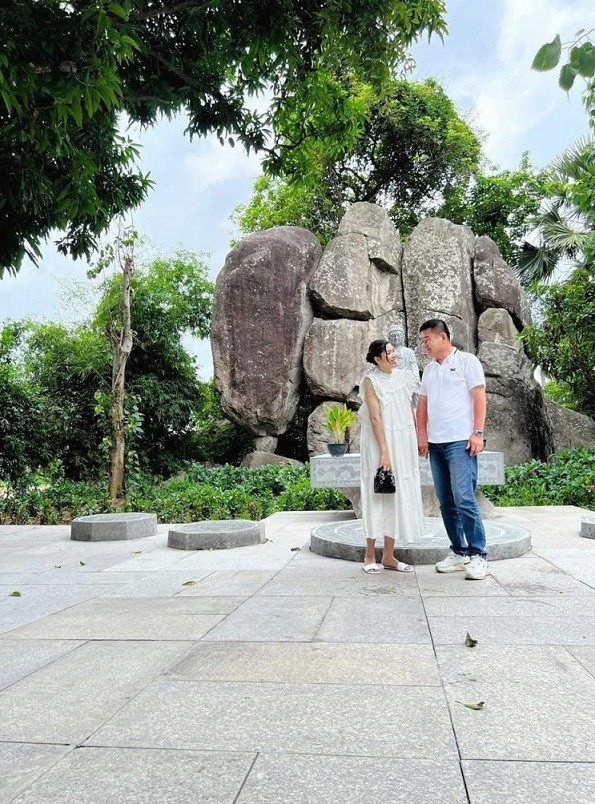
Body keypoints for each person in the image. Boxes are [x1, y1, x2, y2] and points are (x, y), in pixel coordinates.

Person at [416, 319, 489, 580]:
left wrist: (477, 433)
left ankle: (479, 555)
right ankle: (458, 552)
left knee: (464, 498)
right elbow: (422, 405)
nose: (424, 344)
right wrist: (422, 436)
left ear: (443, 337)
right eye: (423, 340)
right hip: (436, 444)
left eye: (427, 339)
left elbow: (480, 397)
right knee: (446, 501)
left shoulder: (468, 361)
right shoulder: (429, 370)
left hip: (461, 441)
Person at [359, 338, 425, 574]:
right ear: (378, 358)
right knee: (377, 493)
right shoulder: (370, 381)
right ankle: (369, 555)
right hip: (380, 443)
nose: (394, 355)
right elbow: (375, 418)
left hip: (403, 441)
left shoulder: (405, 376)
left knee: (396, 495)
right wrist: (384, 452)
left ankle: (388, 556)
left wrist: (418, 438)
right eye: (388, 352)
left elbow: (410, 409)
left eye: (393, 351)